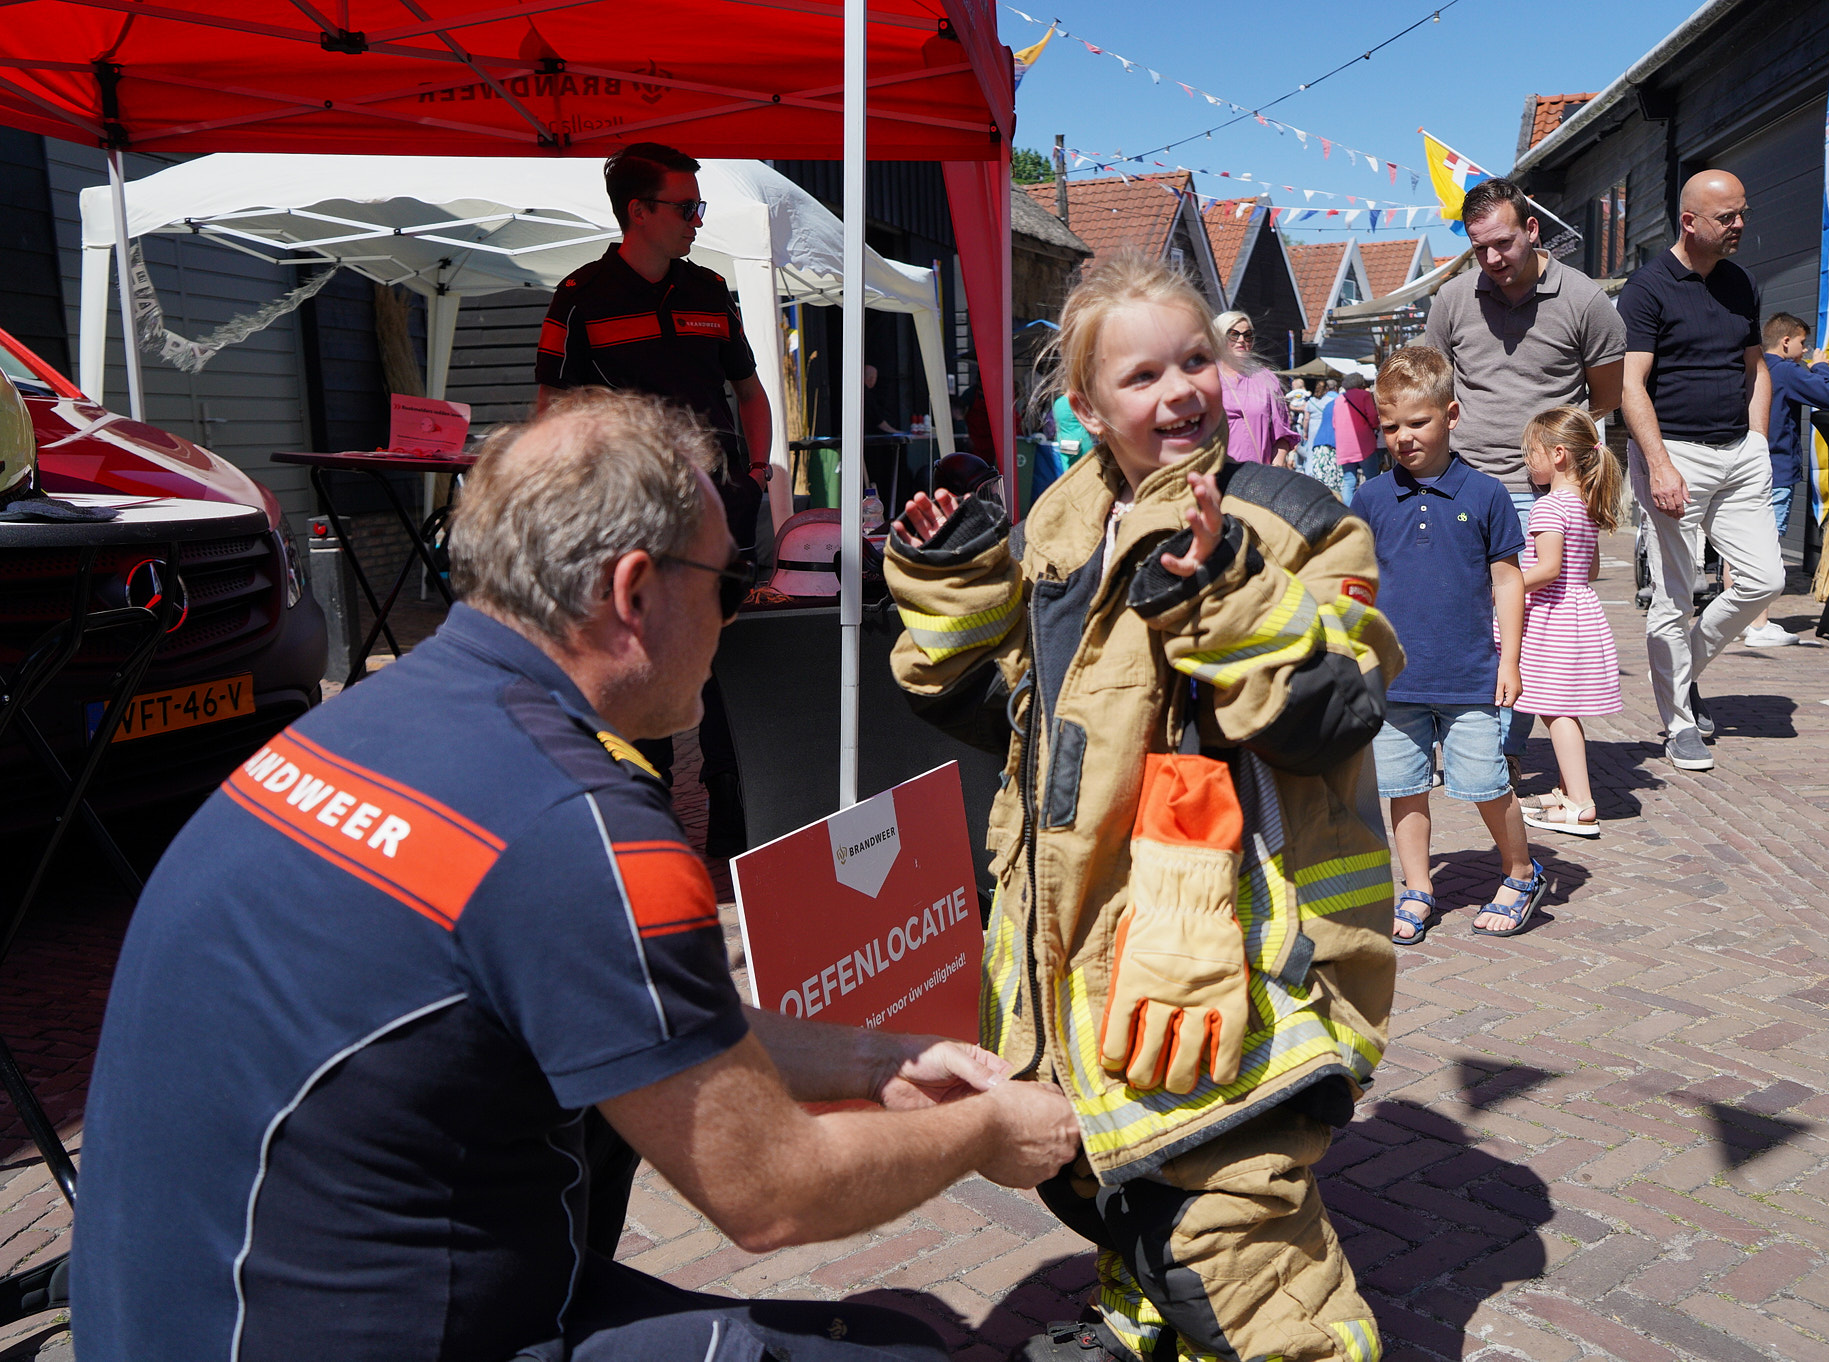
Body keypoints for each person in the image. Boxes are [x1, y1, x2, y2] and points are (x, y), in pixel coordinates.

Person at [71, 389, 1080, 1362]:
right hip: (347, 1326)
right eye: (729, 584)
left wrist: (872, 1062)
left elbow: (642, 1020)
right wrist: (986, 1130)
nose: (734, 617)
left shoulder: (360, 723)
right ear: (634, 593)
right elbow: (772, 1190)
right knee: (897, 1351)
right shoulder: (581, 825)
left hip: (167, 1314)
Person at [885, 254, 1403, 1362]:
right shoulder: (1057, 530)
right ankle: (1143, 1317)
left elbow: (1339, 711)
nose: (1179, 393)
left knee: (1226, 1219)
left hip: (1237, 939)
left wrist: (1221, 593)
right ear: (1084, 407)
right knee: (1103, 1172)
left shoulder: (1292, 519)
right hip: (1077, 940)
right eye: (1142, 376)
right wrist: (954, 579)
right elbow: (1004, 710)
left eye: (1194, 362)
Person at [534, 140, 765, 852]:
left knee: (728, 663)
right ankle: (647, 827)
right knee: (638, 664)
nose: (698, 220)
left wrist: (756, 475)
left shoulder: (711, 290)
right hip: (631, 518)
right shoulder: (579, 297)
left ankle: (735, 821)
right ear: (639, 212)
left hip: (721, 510)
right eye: (686, 207)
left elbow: (749, 391)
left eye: (700, 206)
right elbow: (551, 411)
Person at [1424, 177, 1627, 788]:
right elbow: (1433, 387)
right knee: (1457, 616)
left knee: (1526, 630)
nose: (1491, 258)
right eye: (1478, 247)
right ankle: (1459, 735)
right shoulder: (1453, 298)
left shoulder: (1585, 301)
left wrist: (1561, 467)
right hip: (1461, 482)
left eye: (1503, 243)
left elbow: (1606, 395)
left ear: (1532, 229)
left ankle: (1502, 749)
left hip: (1539, 492)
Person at [1349, 344, 1545, 943]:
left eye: (1418, 422)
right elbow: (1356, 584)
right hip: (1395, 681)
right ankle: (1417, 887)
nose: (1403, 438)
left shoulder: (1486, 494)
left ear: (1451, 415)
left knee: (1486, 783)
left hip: (1469, 676)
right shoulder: (1370, 498)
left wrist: (1510, 660)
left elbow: (1508, 581)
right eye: (1390, 427)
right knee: (1403, 789)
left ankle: (1520, 872)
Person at [1617, 170, 1779, 772]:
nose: (1740, 225)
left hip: (1740, 453)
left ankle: (1682, 672)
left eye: (1742, 213)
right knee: (1673, 596)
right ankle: (1678, 723)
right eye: (1727, 217)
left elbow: (1755, 368)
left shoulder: (1741, 282)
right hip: (1675, 455)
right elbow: (1631, 385)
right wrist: (1659, 464)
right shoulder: (1647, 288)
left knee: (1764, 580)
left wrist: (1758, 440)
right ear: (1689, 222)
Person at [1513, 408, 1625, 838]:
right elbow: (1589, 569)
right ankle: (1566, 791)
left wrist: (1503, 586)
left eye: (1531, 452)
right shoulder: (1584, 504)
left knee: (1556, 710)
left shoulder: (1548, 507)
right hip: (1578, 612)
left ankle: (1580, 804)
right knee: (1560, 705)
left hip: (1551, 617)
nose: (1527, 461)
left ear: (1558, 454)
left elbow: (1548, 569)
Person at [1749, 312, 1829, 647]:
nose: (1805, 350)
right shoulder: (1786, 370)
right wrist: (1821, 367)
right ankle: (1759, 626)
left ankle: (1741, 622)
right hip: (1776, 472)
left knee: (1741, 546)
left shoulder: (1752, 366)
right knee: (1767, 546)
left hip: (1747, 467)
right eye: (1802, 343)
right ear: (1786, 341)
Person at [1217, 309, 1300, 466]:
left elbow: (1282, 434)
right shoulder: (1207, 377)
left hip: (1258, 474)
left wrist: (1276, 468)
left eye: (1248, 335)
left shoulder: (1266, 379)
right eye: (1233, 334)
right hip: (1218, 474)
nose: (1241, 340)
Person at [1333, 370, 1380, 499]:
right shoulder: (1364, 395)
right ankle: (1372, 505)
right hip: (1363, 443)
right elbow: (1372, 416)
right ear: (1361, 383)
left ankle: (1348, 509)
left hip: (1344, 446)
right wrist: (1376, 426)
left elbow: (1334, 423)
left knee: (1349, 481)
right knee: (1372, 479)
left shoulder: (1339, 399)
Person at [1301, 377, 1344, 493]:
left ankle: (1310, 474)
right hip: (1326, 427)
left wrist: (1305, 432)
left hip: (1312, 428)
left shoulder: (1310, 401)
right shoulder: (1330, 400)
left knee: (1311, 453)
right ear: (1326, 389)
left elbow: (1306, 419)